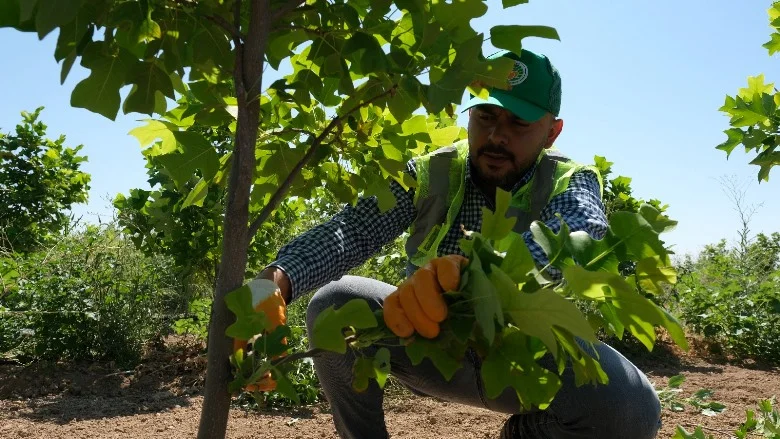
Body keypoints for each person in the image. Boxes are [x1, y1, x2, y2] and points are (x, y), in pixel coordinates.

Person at [253, 49, 662, 438]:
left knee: (631, 407)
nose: (497, 136)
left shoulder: (570, 180)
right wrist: (275, 280)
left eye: (519, 123)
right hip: (430, 349)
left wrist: (481, 275)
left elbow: (583, 232)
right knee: (336, 303)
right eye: (485, 115)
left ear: (552, 132)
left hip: (526, 361)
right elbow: (352, 230)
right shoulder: (432, 171)